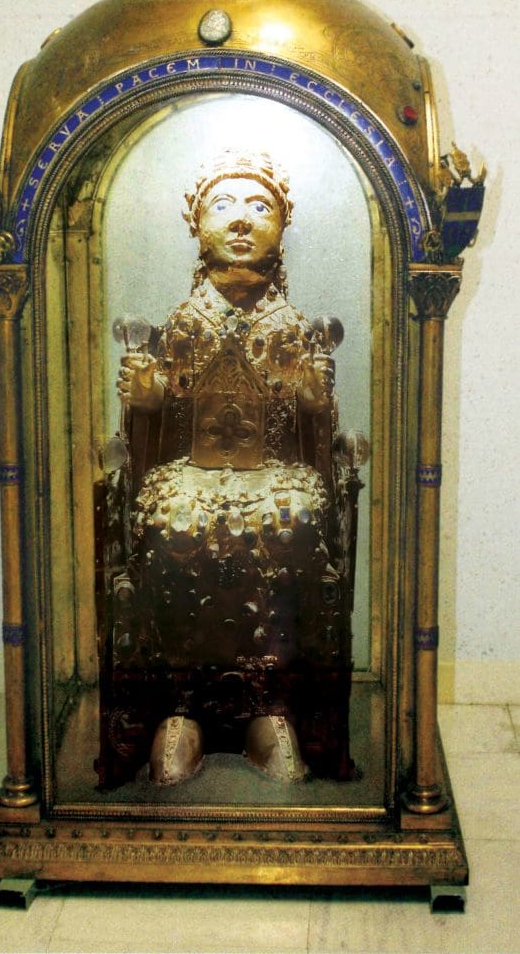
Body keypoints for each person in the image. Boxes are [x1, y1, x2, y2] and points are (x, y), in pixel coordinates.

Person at [110, 150, 364, 786]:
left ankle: (269, 706)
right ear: (198, 227)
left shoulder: (290, 325)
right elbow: (161, 412)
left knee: (295, 518)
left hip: (275, 475)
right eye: (223, 205)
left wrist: (315, 398)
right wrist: (145, 396)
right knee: (169, 519)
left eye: (260, 206)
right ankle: (181, 707)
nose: (242, 219)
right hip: (188, 473)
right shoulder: (184, 321)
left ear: (281, 229)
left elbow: (310, 422)